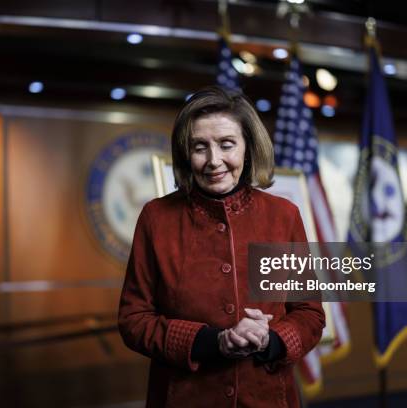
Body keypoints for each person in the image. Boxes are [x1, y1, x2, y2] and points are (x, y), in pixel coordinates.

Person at [118, 86, 325, 407]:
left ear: (247, 148)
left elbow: (309, 313)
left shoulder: (283, 215)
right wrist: (212, 342)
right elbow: (134, 319)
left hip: (267, 397)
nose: (214, 161)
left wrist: (270, 341)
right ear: (186, 153)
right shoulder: (156, 217)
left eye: (227, 144)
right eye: (200, 147)